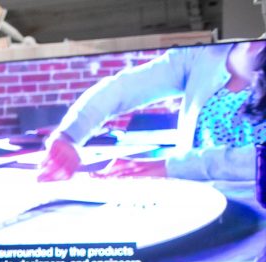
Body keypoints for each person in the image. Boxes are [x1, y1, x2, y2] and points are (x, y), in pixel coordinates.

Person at [38, 41, 266, 182]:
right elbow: (122, 87)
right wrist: (68, 136)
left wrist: (172, 167)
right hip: (201, 207)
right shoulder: (205, 53)